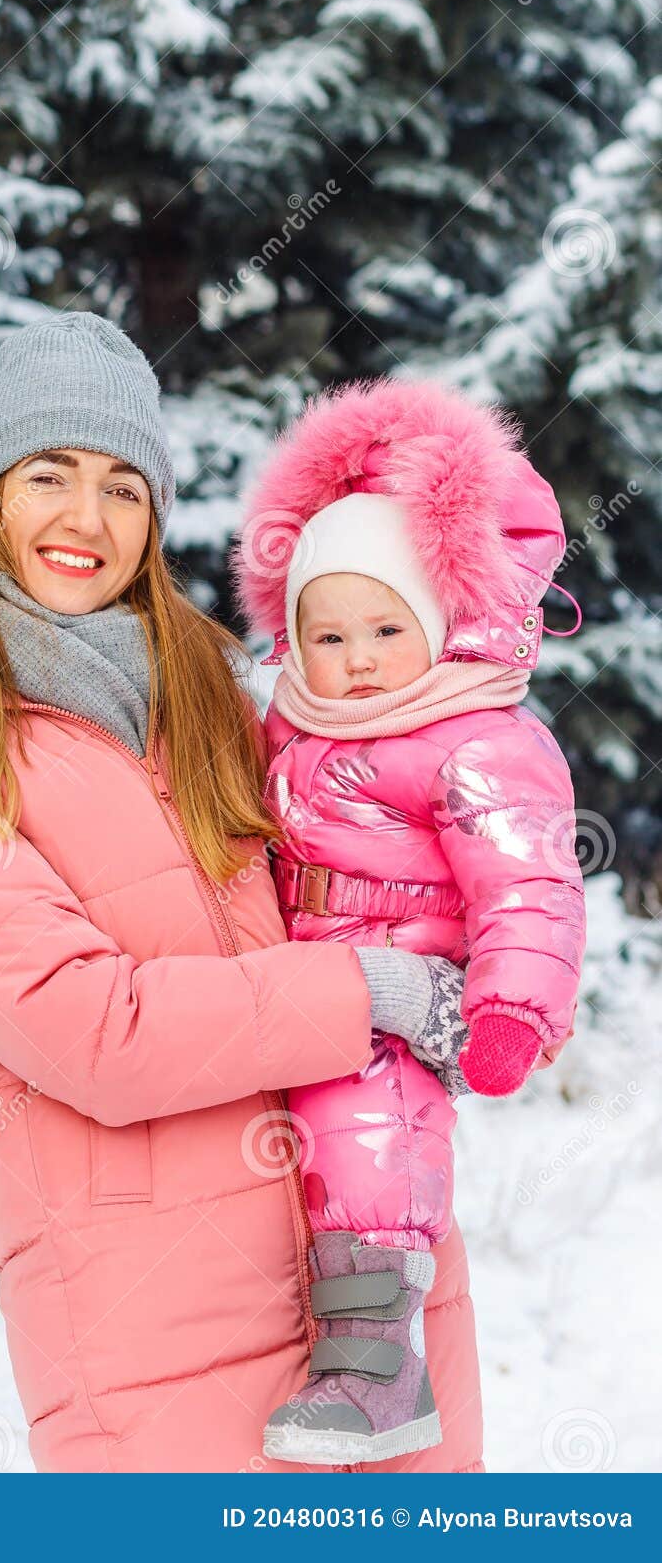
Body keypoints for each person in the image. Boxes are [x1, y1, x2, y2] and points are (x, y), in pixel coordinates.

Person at [0, 313, 483, 1472]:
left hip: (367, 1299)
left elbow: (359, 876)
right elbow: (93, 1031)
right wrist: (365, 987)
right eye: (49, 475)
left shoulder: (211, 706)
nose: (87, 517)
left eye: (124, 486)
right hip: (153, 1353)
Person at [232, 376, 585, 1467]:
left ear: (433, 626)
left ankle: (377, 1368)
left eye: (386, 627)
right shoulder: (290, 726)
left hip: (400, 1000)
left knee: (363, 1142)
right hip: (294, 983)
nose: (360, 657)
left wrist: (511, 1008)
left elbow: (525, 882)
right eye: (328, 633)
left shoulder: (472, 737)